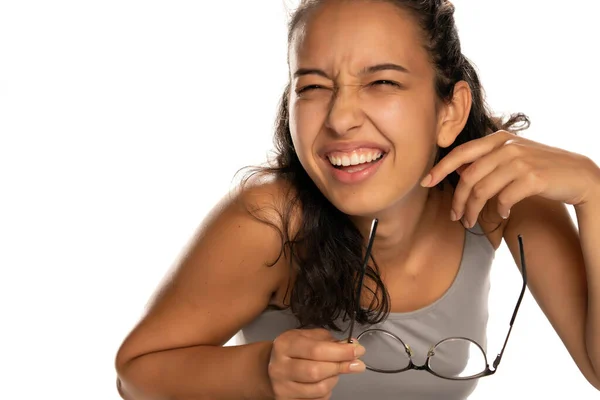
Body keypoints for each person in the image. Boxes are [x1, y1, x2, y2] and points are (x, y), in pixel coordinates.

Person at [114, 0, 600, 399]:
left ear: (450, 111)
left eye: (382, 81)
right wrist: (262, 370)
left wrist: (594, 193)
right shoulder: (270, 222)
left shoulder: (499, 193)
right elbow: (136, 372)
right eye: (313, 87)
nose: (340, 117)